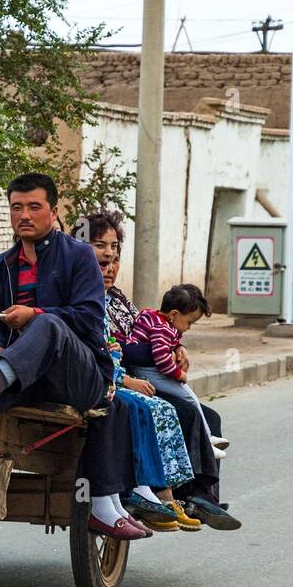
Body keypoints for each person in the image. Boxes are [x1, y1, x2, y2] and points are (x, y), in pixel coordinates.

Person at [0, 173, 148, 540]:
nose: (24, 215)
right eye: (16, 207)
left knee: (49, 324)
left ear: (54, 212)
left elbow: (90, 318)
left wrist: (35, 316)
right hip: (24, 377)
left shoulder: (79, 256)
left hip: (80, 374)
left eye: (34, 207)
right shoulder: (1, 267)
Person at [83, 211, 199, 532]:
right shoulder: (84, 296)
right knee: (144, 407)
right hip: (105, 378)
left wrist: (176, 343)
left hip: (122, 373)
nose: (109, 260)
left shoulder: (115, 297)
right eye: (100, 249)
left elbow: (147, 327)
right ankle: (145, 491)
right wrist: (125, 377)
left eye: (114, 252)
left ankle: (177, 494)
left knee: (188, 409)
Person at [122, 285, 241, 530]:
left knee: (211, 416)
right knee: (184, 410)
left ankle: (203, 495)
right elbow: (135, 347)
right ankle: (182, 494)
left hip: (150, 372)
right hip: (135, 377)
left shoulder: (120, 301)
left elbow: (163, 335)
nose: (110, 266)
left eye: (114, 256)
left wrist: (178, 346)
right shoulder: (92, 302)